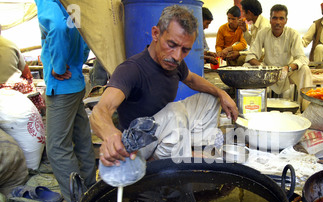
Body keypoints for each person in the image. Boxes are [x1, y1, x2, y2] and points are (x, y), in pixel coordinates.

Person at [90, 5, 238, 166]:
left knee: (210, 99)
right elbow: (100, 111)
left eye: (185, 50)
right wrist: (110, 134)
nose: (176, 56)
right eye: (171, 44)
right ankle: (159, 163)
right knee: (175, 113)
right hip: (139, 144)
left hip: (165, 126)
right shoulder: (131, 69)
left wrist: (222, 94)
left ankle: (188, 150)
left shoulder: (175, 62)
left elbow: (192, 79)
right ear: (156, 34)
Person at [35, 0, 97, 202]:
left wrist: (58, 67)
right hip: (76, 82)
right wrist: (76, 63)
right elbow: (82, 36)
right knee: (80, 138)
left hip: (60, 86)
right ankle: (90, 190)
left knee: (57, 148)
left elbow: (59, 29)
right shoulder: (74, 3)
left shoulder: (47, 1)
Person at [245, 4, 312, 109]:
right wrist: (262, 67)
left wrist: (288, 68)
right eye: (275, 18)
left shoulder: (293, 34)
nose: (278, 22)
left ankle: (306, 109)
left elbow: (302, 58)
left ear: (286, 20)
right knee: (246, 66)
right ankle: (251, 107)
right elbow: (251, 55)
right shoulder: (263, 33)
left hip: (288, 72)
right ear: (270, 20)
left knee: (305, 70)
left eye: (281, 18)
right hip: (267, 71)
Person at [0, 25, 45, 113]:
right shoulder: (10, 44)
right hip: (14, 86)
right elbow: (26, 72)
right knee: (29, 84)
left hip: (6, 87)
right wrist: (29, 80)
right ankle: (36, 111)